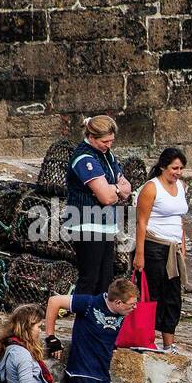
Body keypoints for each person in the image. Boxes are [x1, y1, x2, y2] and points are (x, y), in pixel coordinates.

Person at [65, 115, 131, 296]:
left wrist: (114, 189)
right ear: (92, 137)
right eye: (105, 141)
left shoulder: (107, 155)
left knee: (105, 279)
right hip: (86, 221)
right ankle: (81, 319)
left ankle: (98, 321)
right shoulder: (84, 157)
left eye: (111, 141)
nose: (109, 145)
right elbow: (106, 197)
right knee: (90, 278)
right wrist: (116, 189)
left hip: (106, 224)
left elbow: (127, 189)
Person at [133, 147, 188, 352]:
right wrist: (139, 254)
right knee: (152, 295)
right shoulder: (151, 187)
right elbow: (141, 222)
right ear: (163, 166)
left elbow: (179, 219)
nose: (178, 172)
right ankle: (147, 337)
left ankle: (169, 342)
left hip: (173, 248)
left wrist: (182, 246)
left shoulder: (181, 186)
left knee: (172, 296)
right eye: (174, 168)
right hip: (153, 246)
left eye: (181, 168)